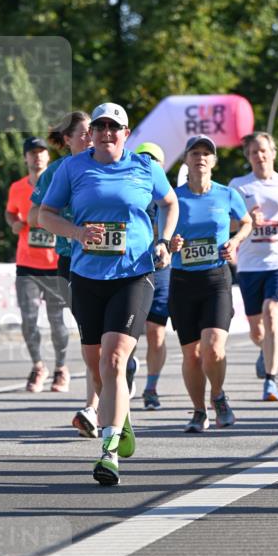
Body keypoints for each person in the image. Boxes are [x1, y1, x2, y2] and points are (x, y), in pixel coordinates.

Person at [39, 103, 179, 486]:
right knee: (96, 362)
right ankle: (122, 412)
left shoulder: (144, 167)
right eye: (99, 127)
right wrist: (77, 233)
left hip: (134, 274)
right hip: (86, 276)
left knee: (115, 359)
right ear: (93, 133)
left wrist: (163, 240)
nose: (106, 133)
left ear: (126, 133)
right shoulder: (72, 167)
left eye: (113, 127)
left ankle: (110, 450)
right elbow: (45, 214)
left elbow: (169, 202)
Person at [168, 135, 252, 431]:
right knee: (191, 354)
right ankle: (198, 410)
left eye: (206, 153)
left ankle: (218, 395)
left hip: (216, 277)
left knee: (213, 348)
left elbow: (246, 222)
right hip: (182, 280)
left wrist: (236, 241)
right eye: (195, 153)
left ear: (214, 161)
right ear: (186, 160)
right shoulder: (173, 197)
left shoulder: (226, 194)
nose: (201, 158)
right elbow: (159, 233)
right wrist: (170, 242)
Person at [27, 112, 99, 437]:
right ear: (67, 139)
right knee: (89, 334)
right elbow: (34, 213)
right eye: (82, 134)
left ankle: (98, 401)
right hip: (71, 261)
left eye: (91, 132)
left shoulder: (108, 165)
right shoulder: (56, 172)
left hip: (108, 262)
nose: (89, 138)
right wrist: (65, 224)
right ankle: (98, 400)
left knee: (100, 336)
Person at [229, 132, 278, 402]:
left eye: (263, 151)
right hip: (249, 264)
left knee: (273, 314)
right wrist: (246, 221)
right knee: (257, 330)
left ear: (273, 152)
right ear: (248, 158)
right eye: (253, 153)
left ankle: (271, 381)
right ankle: (265, 350)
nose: (259, 156)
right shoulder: (238, 185)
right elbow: (229, 225)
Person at [5, 136, 71, 393]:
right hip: (27, 264)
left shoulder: (58, 182)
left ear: (48, 156)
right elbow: (11, 211)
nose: (38, 156)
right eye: (32, 153)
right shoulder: (17, 187)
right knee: (29, 320)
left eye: (42, 152)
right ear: (26, 158)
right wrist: (13, 222)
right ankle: (38, 366)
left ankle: (61, 369)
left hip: (54, 263)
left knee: (56, 321)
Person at [125, 142, 171, 411]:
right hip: (131, 269)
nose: (148, 164)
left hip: (162, 269)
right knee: (128, 332)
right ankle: (128, 364)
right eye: (143, 159)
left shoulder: (170, 196)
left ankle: (151, 387)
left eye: (154, 161)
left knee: (156, 332)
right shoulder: (128, 192)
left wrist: (172, 243)